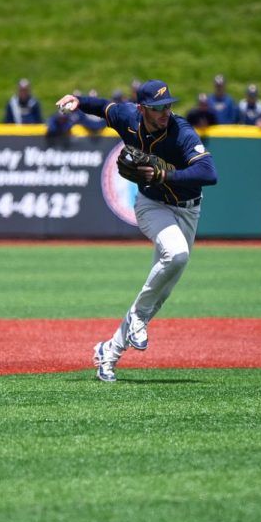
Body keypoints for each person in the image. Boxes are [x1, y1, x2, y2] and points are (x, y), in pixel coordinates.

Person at [54, 79, 217, 383]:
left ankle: (108, 353)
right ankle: (137, 318)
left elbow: (209, 172)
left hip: (189, 209)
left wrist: (165, 173)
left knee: (161, 292)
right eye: (157, 108)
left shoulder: (181, 132)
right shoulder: (129, 118)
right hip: (152, 206)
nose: (165, 112)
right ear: (142, 109)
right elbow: (103, 108)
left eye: (168, 105)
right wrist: (77, 100)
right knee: (177, 254)